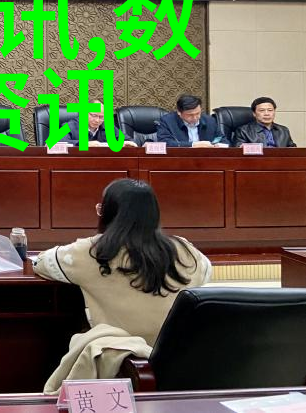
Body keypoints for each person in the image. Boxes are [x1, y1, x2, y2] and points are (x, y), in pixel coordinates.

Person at [35, 178, 211, 343]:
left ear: (107, 214)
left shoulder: (91, 251)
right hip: (177, 354)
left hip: (120, 356)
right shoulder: (185, 250)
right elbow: (205, 273)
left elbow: (41, 263)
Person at [155, 94, 225, 147]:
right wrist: (194, 145)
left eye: (198, 113)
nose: (195, 118)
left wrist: (218, 145)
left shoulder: (210, 121)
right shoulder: (167, 121)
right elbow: (165, 143)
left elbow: (222, 139)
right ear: (179, 112)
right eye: (190, 115)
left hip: (206, 158)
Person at [66, 102, 136, 147]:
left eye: (101, 117)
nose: (97, 120)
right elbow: (61, 143)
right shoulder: (69, 126)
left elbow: (128, 140)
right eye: (94, 115)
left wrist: (126, 143)